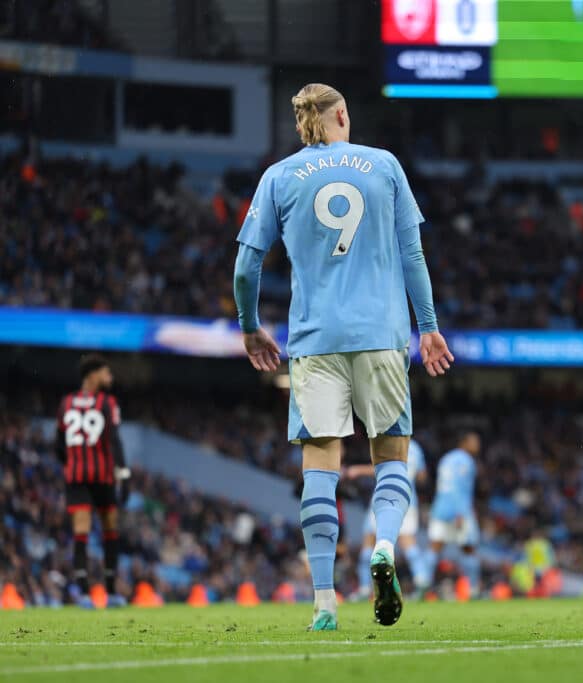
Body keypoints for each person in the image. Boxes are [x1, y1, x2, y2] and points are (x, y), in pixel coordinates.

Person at [233, 83, 454, 631]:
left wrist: (251, 328)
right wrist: (427, 327)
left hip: (314, 341)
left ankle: (325, 601)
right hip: (381, 335)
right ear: (342, 115)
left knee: (320, 470)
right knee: (392, 459)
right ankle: (383, 546)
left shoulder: (279, 177)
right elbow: (412, 254)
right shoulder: (384, 165)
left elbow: (245, 268)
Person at [55, 354, 130, 608]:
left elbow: (58, 445)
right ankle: (111, 593)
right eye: (105, 373)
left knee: (81, 533)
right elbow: (116, 441)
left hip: (76, 478)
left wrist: (73, 463)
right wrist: (124, 474)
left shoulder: (66, 403)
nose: (109, 377)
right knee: (110, 530)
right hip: (102, 478)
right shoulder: (107, 403)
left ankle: (84, 593)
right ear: (93, 374)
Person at [348, 438, 431, 599]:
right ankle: (422, 580)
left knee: (369, 543)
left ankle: (365, 589)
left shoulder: (388, 440)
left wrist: (357, 470)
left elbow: (382, 469)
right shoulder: (415, 447)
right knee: (408, 543)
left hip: (384, 498)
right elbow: (422, 477)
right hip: (408, 499)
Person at [427, 432, 481, 596]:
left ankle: (422, 584)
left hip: (439, 508)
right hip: (459, 510)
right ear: (464, 442)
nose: (477, 446)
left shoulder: (446, 459)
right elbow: (459, 487)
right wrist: (460, 512)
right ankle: (473, 589)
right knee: (468, 548)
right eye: (474, 442)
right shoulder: (466, 461)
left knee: (434, 549)